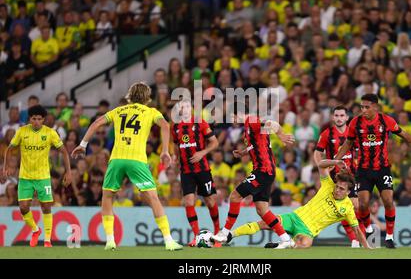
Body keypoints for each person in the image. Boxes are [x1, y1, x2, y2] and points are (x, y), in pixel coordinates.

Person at [71, 82, 182, 251]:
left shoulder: (118, 110)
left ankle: (110, 240)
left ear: (130, 96)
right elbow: (166, 126)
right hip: (137, 160)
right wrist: (165, 150)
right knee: (153, 198)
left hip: (116, 159)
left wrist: (83, 144)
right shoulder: (151, 111)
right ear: (147, 98)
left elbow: (95, 124)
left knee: (107, 196)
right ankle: (168, 240)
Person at [334, 93, 411, 249]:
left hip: (382, 169)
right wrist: (335, 159)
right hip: (363, 169)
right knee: (362, 205)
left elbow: (405, 135)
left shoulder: (386, 120)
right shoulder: (355, 123)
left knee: (388, 202)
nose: (363, 110)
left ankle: (389, 237)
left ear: (375, 107)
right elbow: (348, 144)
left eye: (367, 107)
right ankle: (369, 229)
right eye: (362, 106)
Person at [229, 159, 371, 249]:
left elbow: (357, 230)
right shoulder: (328, 185)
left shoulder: (347, 208)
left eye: (342, 189)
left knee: (306, 244)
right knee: (263, 223)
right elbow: (321, 165)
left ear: (348, 192)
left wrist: (367, 248)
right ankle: (230, 235)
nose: (337, 190)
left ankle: (281, 246)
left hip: (307, 231)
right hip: (294, 217)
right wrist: (335, 162)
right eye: (337, 187)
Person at [211, 102, 296, 249]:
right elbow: (257, 144)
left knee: (235, 196)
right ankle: (286, 239)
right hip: (266, 171)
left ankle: (224, 233)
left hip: (263, 170)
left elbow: (272, 124)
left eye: (231, 116)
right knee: (262, 209)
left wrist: (281, 135)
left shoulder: (252, 121)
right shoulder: (247, 128)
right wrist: (243, 152)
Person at [1, 105, 72, 247]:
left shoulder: (50, 133)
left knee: (46, 207)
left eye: (39, 119)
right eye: (34, 119)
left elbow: (64, 151)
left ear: (43, 119)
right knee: (23, 207)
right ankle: (35, 230)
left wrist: (68, 172)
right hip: (25, 177)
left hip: (43, 177)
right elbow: (9, 149)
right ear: (29, 119)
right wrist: (6, 166)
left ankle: (47, 240)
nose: (37, 122)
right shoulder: (22, 131)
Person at [171, 99, 221, 246]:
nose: (185, 109)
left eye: (187, 106)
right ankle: (196, 236)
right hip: (186, 171)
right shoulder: (175, 127)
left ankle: (217, 233)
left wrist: (202, 153)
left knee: (211, 202)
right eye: (182, 107)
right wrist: (175, 157)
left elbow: (215, 142)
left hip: (203, 169)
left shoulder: (200, 123)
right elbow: (176, 145)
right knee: (188, 202)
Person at [313, 105, 359, 248]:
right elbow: (317, 152)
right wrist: (322, 168)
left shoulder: (353, 134)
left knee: (355, 207)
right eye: (336, 116)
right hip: (334, 177)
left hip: (351, 176)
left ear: (347, 117)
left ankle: (357, 239)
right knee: (342, 208)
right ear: (333, 117)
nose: (339, 118)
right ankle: (355, 240)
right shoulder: (327, 133)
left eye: (342, 116)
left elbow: (359, 151)